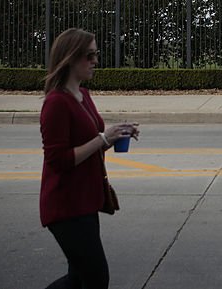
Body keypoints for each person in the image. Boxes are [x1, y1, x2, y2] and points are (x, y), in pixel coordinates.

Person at [39, 28, 139, 289]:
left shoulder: (84, 96)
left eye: (96, 54)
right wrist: (103, 139)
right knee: (95, 278)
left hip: (86, 200)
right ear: (71, 58)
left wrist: (115, 136)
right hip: (65, 206)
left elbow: (87, 147)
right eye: (89, 55)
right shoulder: (56, 103)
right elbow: (58, 159)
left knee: (79, 278)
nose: (95, 61)